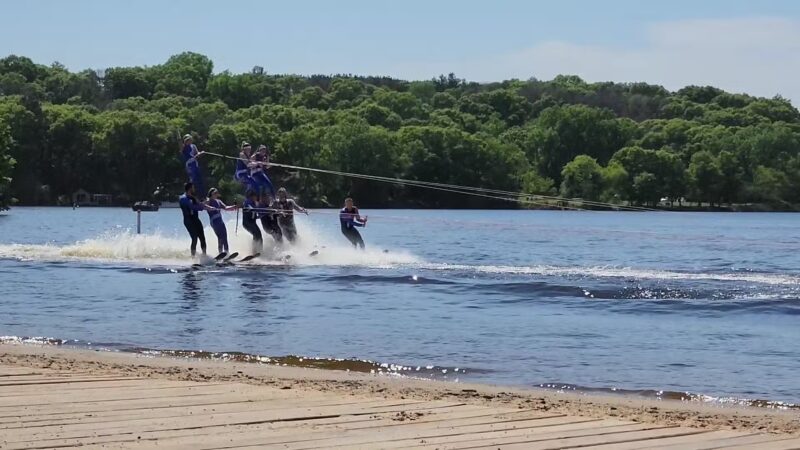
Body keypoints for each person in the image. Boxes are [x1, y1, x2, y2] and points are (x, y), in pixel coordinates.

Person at [179, 182, 215, 257]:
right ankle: (193, 257)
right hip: (188, 220)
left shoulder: (193, 197)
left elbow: (199, 204)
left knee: (202, 237)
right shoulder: (183, 198)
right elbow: (193, 207)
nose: (194, 189)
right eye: (193, 188)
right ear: (190, 189)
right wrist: (203, 207)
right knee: (194, 238)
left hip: (195, 219)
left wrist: (209, 207)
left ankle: (204, 255)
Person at [206, 188, 239, 255]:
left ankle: (227, 253)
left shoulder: (219, 201)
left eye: (217, 193)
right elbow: (204, 205)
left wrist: (234, 207)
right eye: (215, 193)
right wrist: (209, 207)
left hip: (220, 221)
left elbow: (226, 208)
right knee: (220, 238)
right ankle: (220, 253)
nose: (216, 194)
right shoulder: (209, 200)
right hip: (214, 221)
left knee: (225, 237)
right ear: (211, 193)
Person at [181, 134, 206, 199]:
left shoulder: (193, 146)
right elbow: (182, 151)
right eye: (188, 140)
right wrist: (198, 155)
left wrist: (201, 153)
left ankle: (201, 196)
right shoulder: (183, 147)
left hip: (195, 164)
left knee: (199, 179)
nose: (189, 141)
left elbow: (197, 154)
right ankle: (188, 193)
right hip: (189, 164)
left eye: (190, 139)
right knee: (192, 179)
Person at [241, 190, 263, 254]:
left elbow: (256, 215)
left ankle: (260, 251)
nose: (257, 198)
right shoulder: (247, 202)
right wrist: (253, 209)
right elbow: (250, 208)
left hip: (253, 223)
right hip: (247, 223)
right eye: (256, 196)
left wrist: (261, 215)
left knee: (259, 235)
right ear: (252, 196)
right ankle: (254, 251)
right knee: (256, 234)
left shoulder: (254, 203)